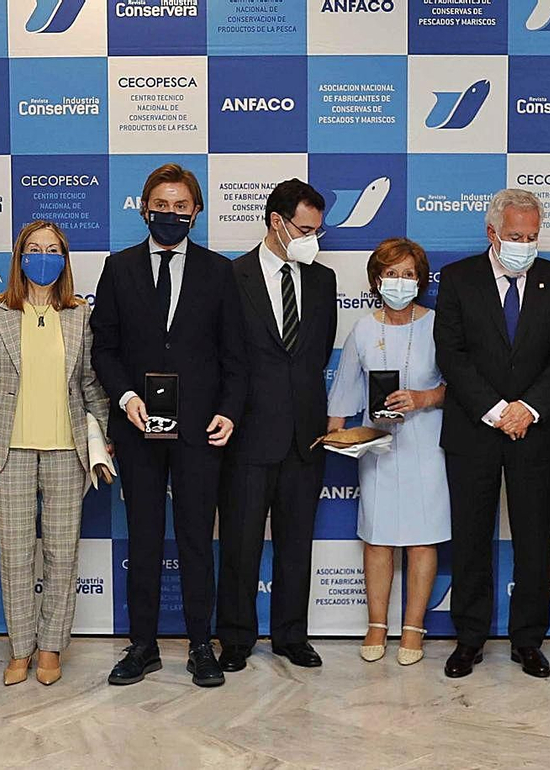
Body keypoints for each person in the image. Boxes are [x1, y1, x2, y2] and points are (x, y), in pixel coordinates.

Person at [90, 162, 247, 688]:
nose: (171, 214)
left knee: (197, 537)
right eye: (162, 205)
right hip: (137, 428)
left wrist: (229, 410)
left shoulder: (219, 272)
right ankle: (143, 645)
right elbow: (104, 349)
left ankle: (202, 645)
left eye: (181, 207)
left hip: (200, 430)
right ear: (144, 207)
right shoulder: (119, 268)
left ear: (196, 212)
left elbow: (235, 356)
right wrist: (127, 397)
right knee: (144, 538)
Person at [433, 188, 550, 680]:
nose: (525, 244)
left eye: (533, 236)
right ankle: (469, 638)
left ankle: (529, 640)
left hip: (534, 432)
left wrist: (529, 408)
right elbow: (451, 354)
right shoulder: (458, 278)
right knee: (472, 537)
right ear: (492, 233)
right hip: (474, 429)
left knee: (535, 539)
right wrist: (497, 410)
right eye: (516, 236)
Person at [0, 221, 111, 687]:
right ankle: (20, 647)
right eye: (34, 248)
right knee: (13, 555)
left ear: (64, 258)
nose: (43, 256)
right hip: (9, 451)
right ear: (19, 256)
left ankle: (50, 646)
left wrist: (101, 443)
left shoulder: (80, 314)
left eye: (52, 249)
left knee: (62, 554)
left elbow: (91, 385)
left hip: (68, 451)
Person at [217, 179, 338, 672]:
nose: (314, 238)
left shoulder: (323, 280)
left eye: (318, 230)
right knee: (241, 545)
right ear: (276, 222)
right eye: (306, 229)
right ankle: (237, 639)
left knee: (296, 544)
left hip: (305, 436)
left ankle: (292, 636)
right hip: (247, 434)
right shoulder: (231, 276)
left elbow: (313, 355)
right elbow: (225, 356)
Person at [327, 237, 449, 667]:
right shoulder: (363, 327)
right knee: (377, 536)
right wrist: (335, 434)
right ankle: (376, 624)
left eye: (409, 274)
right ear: (376, 279)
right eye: (392, 273)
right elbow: (343, 390)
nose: (400, 281)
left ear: (421, 280)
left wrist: (423, 398)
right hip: (378, 445)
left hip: (427, 443)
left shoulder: (439, 323)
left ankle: (414, 627)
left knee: (421, 538)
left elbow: (458, 386)